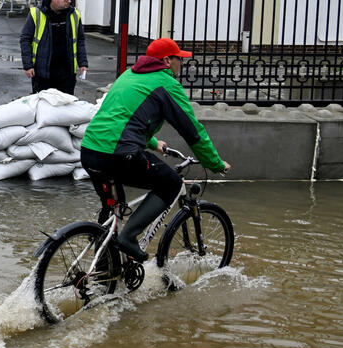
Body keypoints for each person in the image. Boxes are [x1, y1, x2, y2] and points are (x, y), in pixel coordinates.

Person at [80, 38, 230, 262]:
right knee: (171, 183)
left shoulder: (129, 75)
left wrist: (152, 143)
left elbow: (124, 117)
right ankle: (129, 237)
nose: (182, 63)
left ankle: (104, 268)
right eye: (179, 59)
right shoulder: (166, 84)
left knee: (113, 208)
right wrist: (214, 163)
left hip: (90, 150)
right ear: (168, 61)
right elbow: (192, 131)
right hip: (119, 154)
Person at [19, 0, 88, 96]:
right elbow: (25, 39)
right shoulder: (36, 14)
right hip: (43, 73)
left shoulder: (74, 14)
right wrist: (28, 65)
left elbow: (80, 40)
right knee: (44, 106)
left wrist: (83, 64)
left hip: (67, 72)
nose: (69, 1)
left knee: (65, 105)